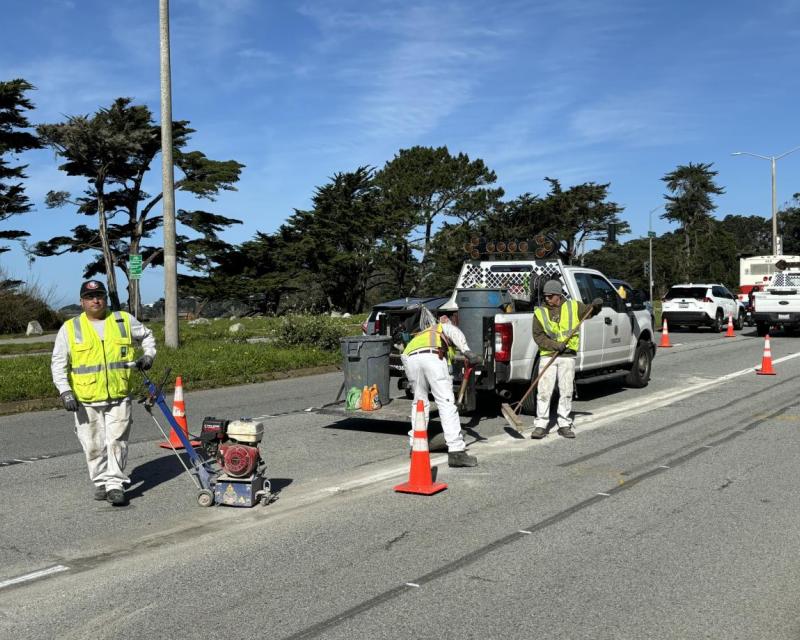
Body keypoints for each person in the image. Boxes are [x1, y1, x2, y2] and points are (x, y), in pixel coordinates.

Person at [51, 280, 156, 506]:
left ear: (105, 299)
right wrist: (65, 392)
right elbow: (58, 363)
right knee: (93, 444)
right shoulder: (70, 328)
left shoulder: (123, 320)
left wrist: (148, 355)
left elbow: (147, 336)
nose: (95, 300)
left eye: (99, 296)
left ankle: (115, 484)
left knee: (117, 441)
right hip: (85, 400)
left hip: (119, 395)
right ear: (82, 301)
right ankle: (101, 481)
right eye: (90, 297)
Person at [402, 314, 482, 467]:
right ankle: (456, 451)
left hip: (410, 359)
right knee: (446, 404)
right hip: (432, 357)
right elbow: (453, 332)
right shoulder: (442, 327)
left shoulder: (422, 335)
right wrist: (467, 351)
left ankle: (415, 446)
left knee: (419, 404)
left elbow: (406, 357)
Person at [530, 280, 602, 440]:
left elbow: (589, 312)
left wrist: (596, 306)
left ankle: (564, 424)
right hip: (548, 355)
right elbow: (538, 336)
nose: (547, 299)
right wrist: (555, 345)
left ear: (559, 295)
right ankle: (540, 425)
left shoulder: (574, 307)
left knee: (566, 390)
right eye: (546, 296)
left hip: (567, 356)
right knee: (544, 391)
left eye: (551, 296)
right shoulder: (540, 313)